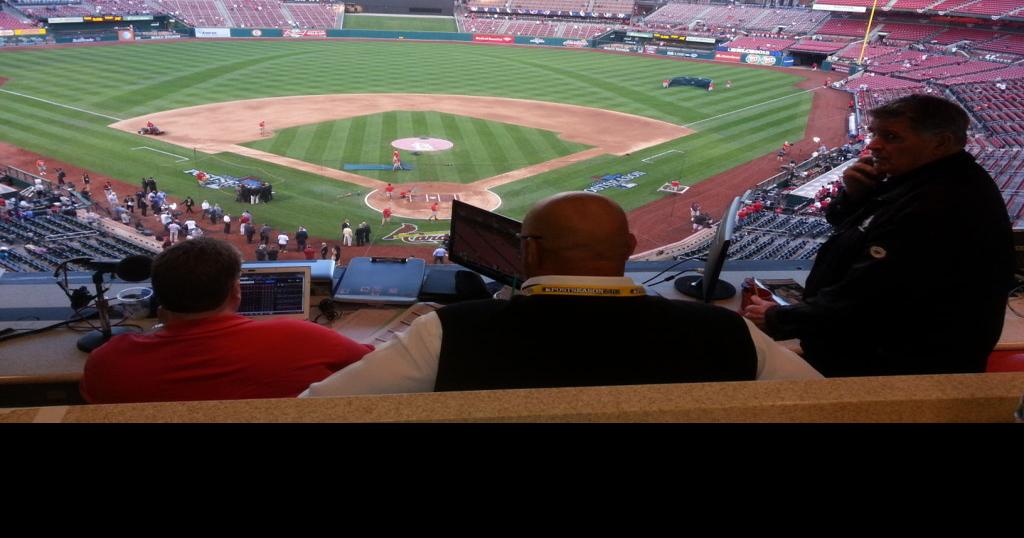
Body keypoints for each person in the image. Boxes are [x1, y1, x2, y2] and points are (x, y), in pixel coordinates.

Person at [302, 192, 820, 397]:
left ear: (527, 254)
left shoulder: (450, 331)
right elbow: (831, 402)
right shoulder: (728, 332)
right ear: (631, 247)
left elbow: (316, 407)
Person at [743, 95, 1014, 377]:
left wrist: (776, 318)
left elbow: (866, 298)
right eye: (875, 133)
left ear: (941, 142)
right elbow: (847, 227)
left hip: (898, 370)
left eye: (891, 136)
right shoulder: (920, 179)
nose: (873, 144)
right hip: (879, 351)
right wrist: (852, 196)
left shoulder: (939, 202)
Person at [80, 238, 373, 403]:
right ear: (236, 291)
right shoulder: (301, 336)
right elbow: (377, 362)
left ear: (160, 297)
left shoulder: (106, 362)